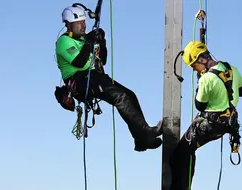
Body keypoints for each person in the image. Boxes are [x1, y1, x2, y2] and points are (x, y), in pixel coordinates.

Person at [54, 5, 163, 152]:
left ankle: (141, 140)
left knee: (129, 95)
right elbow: (79, 62)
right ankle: (145, 132)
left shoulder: (84, 40)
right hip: (80, 80)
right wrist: (89, 42)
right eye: (78, 23)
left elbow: (103, 60)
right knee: (121, 97)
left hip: (94, 77)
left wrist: (101, 41)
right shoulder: (64, 42)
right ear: (68, 25)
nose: (83, 25)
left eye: (83, 22)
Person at [169, 41, 242, 190]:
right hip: (227, 124)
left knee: (180, 154)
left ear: (202, 59)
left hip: (211, 124)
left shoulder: (207, 79)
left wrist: (202, 82)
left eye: (194, 65)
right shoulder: (232, 69)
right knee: (188, 150)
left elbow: (200, 105)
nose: (194, 70)